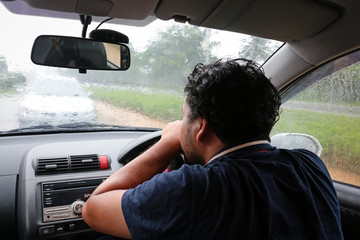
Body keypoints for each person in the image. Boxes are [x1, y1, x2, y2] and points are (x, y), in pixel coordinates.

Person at [82, 58, 343, 239]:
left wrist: (169, 142)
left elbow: (93, 208)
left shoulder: (194, 189)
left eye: (184, 117)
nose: (180, 124)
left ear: (201, 127)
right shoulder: (309, 164)